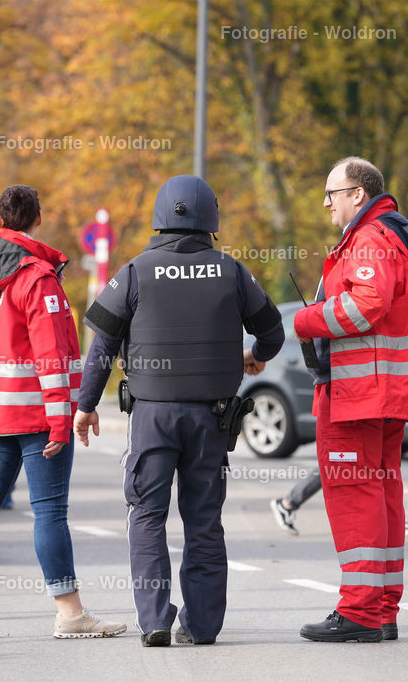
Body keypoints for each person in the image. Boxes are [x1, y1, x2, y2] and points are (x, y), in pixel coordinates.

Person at [75, 175, 284, 647]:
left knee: (146, 515)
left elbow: (103, 345)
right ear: (210, 218)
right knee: (204, 521)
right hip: (212, 419)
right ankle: (202, 625)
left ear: (159, 217)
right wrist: (253, 355)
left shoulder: (134, 271)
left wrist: (86, 406)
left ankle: (154, 622)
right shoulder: (230, 271)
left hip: (151, 418)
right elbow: (272, 332)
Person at [0, 185, 126, 640]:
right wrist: (64, 420)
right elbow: (51, 355)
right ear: (37, 219)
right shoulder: (37, 276)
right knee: (49, 512)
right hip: (35, 416)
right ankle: (70, 614)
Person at [293, 157, 408, 643]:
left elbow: (366, 303)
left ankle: (359, 611)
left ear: (358, 193)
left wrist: (307, 321)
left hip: (358, 394)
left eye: (332, 192)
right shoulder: (394, 234)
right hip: (386, 390)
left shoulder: (370, 238)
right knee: (382, 492)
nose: (327, 203)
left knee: (355, 496)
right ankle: (382, 608)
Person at [271, 470, 408, 537]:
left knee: (375, 457)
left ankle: (392, 517)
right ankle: (288, 503)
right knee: (335, 460)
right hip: (346, 409)